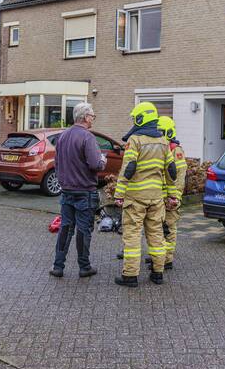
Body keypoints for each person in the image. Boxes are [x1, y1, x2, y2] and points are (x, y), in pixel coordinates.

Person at [113, 102, 178, 287]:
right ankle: (158, 273)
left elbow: (128, 168)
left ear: (142, 118)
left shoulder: (135, 140)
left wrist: (119, 193)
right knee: (156, 234)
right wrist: (172, 195)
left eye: (135, 118)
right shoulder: (164, 141)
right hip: (156, 197)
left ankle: (130, 276)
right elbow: (171, 172)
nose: (134, 121)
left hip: (135, 198)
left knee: (132, 235)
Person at [50, 102, 106, 278]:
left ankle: (58, 266)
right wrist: (103, 160)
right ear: (84, 117)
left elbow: (57, 163)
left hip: (67, 191)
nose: (93, 120)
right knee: (83, 230)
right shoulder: (87, 137)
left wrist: (64, 181)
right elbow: (95, 164)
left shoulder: (63, 136)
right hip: (84, 191)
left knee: (65, 228)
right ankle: (84, 266)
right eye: (92, 116)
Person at [156, 116, 187, 269]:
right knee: (157, 229)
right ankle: (158, 256)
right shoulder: (160, 148)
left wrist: (175, 197)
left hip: (170, 198)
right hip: (158, 197)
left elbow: (179, 177)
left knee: (169, 228)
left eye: (161, 132)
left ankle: (167, 260)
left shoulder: (176, 150)